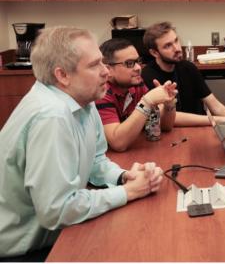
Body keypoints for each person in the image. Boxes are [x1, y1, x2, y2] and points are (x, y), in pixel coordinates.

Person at [0, 27, 163, 261]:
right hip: (24, 251)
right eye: (95, 64)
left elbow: (96, 160)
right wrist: (127, 192)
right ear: (63, 75)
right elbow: (57, 210)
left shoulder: (83, 100)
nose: (106, 72)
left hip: (53, 233)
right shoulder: (51, 116)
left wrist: (124, 177)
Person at [141, 22, 225, 126]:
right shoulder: (148, 75)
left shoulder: (188, 68)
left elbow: (215, 105)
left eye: (176, 41)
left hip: (200, 130)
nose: (177, 48)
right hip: (171, 133)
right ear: (154, 53)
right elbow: (167, 118)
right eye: (168, 46)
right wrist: (217, 120)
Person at [96, 38, 178, 152]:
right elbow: (118, 143)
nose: (138, 67)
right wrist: (147, 101)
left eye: (138, 61)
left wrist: (169, 104)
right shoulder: (100, 91)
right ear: (108, 70)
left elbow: (165, 126)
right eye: (129, 63)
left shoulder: (136, 85)